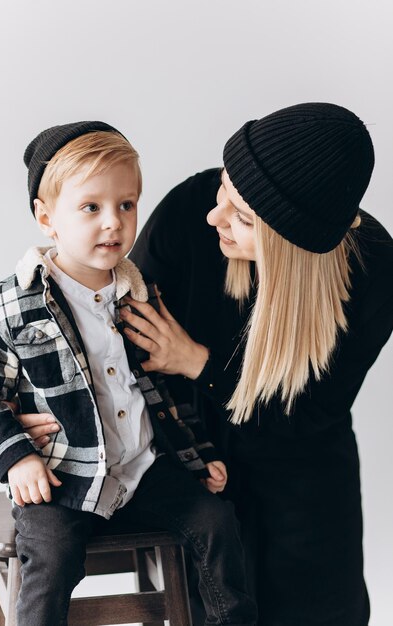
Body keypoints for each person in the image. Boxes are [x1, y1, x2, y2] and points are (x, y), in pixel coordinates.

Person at [115, 103, 393, 625]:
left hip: (305, 477)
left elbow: (310, 413)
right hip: (198, 460)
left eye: (242, 218)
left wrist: (197, 362)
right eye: (226, 188)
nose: (214, 215)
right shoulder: (190, 210)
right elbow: (115, 344)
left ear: (287, 245)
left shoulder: (373, 270)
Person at [0, 121, 257, 626]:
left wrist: (199, 455)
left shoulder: (140, 292)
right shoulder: (9, 306)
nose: (114, 223)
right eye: (91, 207)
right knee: (54, 555)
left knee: (217, 522)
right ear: (47, 218)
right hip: (62, 476)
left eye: (126, 205)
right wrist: (16, 457)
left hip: (144, 468)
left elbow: (163, 386)